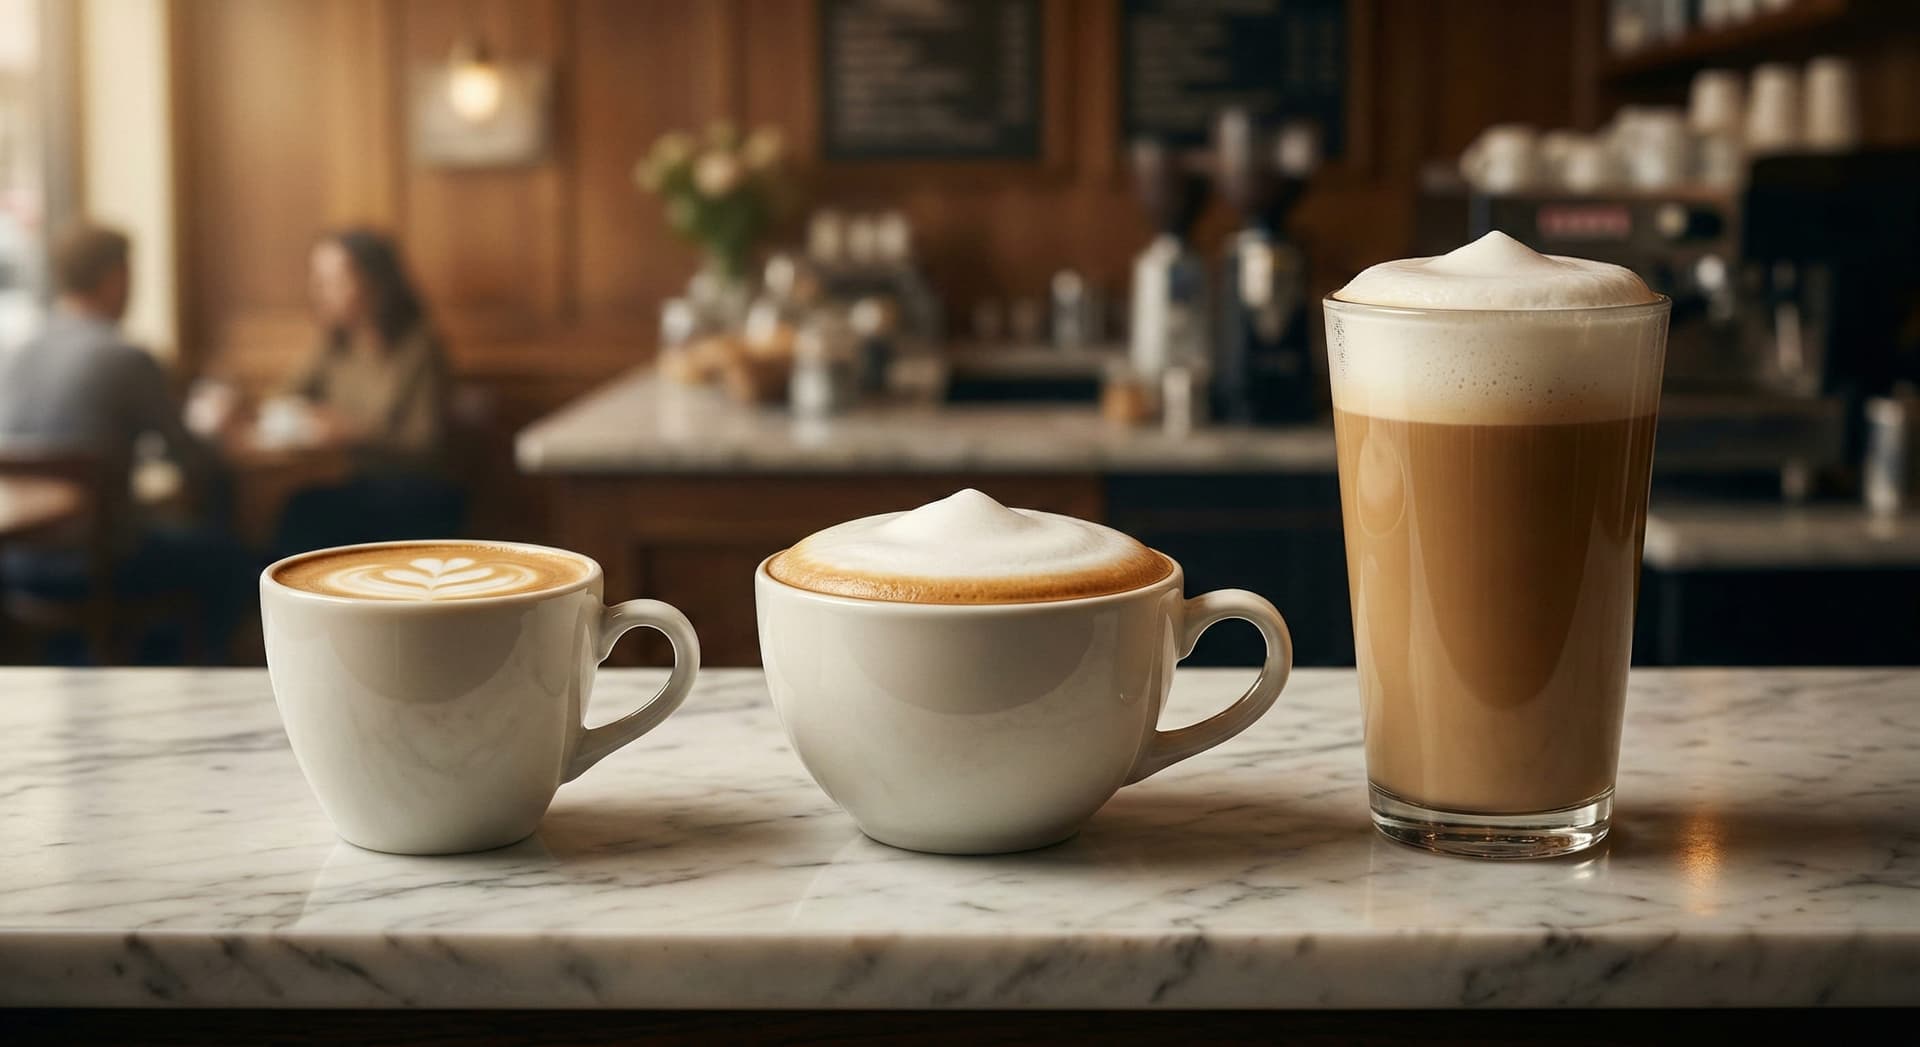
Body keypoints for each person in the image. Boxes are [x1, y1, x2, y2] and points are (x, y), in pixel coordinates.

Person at [0, 223, 252, 662]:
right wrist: (215, 429)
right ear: (116, 278)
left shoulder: (21, 352)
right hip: (99, 567)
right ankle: (202, 683)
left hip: (17, 566)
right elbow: (195, 462)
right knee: (234, 560)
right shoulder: (126, 358)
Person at [270, 229, 464, 558]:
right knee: (295, 509)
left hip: (413, 489)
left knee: (305, 515)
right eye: (318, 280)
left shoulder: (419, 346)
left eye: (334, 281)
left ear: (375, 284)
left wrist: (350, 430)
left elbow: (424, 441)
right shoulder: (333, 344)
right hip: (356, 481)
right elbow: (283, 398)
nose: (320, 293)